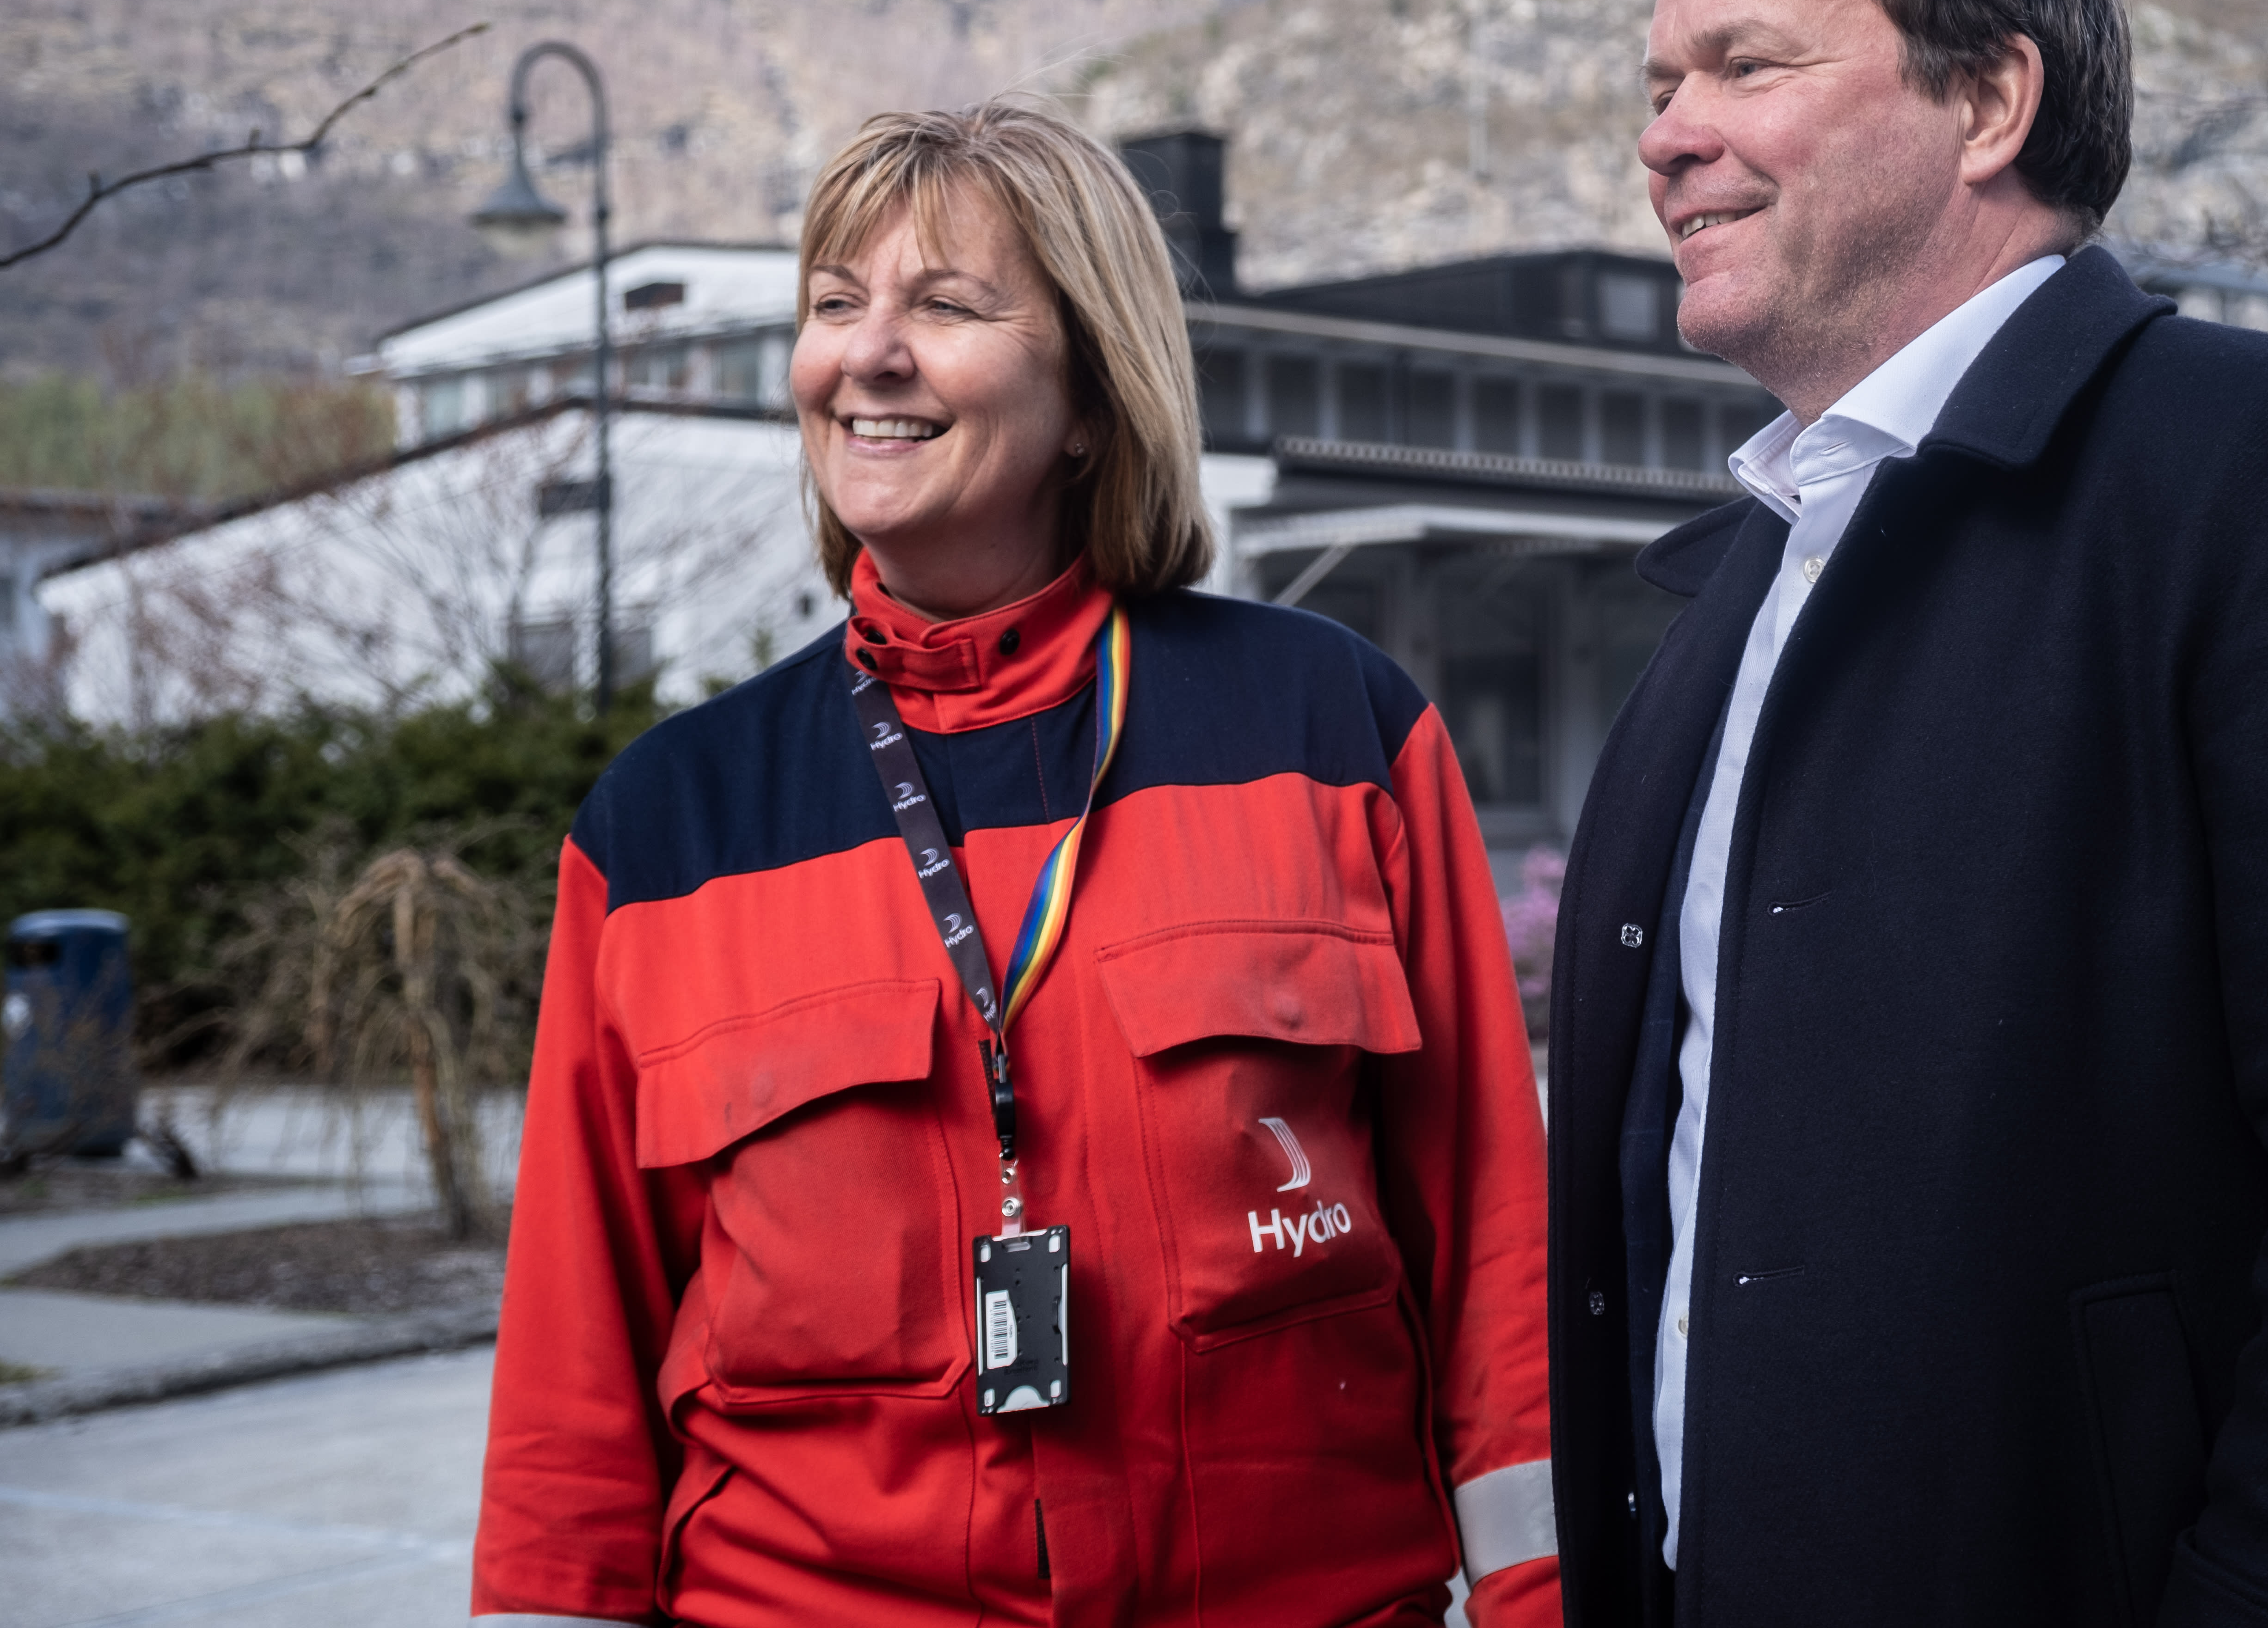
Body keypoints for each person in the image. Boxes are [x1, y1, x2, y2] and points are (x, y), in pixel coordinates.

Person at [1545, 0, 2268, 1626]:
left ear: (1988, 101)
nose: (1667, 134)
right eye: (1659, 84)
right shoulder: (1737, 587)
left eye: (1746, 65)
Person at [474, 103, 1560, 1627]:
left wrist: (1540, 1595)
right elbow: (572, 1385)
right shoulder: (669, 825)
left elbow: (1496, 1257)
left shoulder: (1333, 732)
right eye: (835, 304)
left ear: (1093, 398)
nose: (868, 354)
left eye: (946, 306)